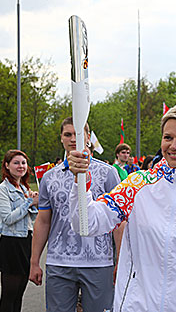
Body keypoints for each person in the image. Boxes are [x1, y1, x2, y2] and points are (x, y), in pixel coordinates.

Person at [69, 104, 176, 311]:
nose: (173, 145)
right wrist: (81, 184)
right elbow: (87, 224)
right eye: (168, 137)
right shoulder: (137, 185)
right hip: (137, 305)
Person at [29, 117, 121, 312]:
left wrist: (120, 258)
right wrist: (34, 261)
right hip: (59, 261)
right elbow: (43, 221)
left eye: (77, 134)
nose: (72, 139)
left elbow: (118, 222)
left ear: (88, 137)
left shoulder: (107, 173)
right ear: (61, 138)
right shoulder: (49, 177)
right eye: (67, 134)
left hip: (99, 261)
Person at [0, 150, 39, 312]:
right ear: (7, 165)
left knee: (19, 294)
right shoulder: (3, 189)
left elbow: (31, 219)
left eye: (23, 163)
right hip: (11, 243)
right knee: (9, 295)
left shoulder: (24, 188)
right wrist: (28, 203)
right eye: (16, 163)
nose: (21, 166)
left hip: (26, 241)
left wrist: (35, 203)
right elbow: (8, 218)